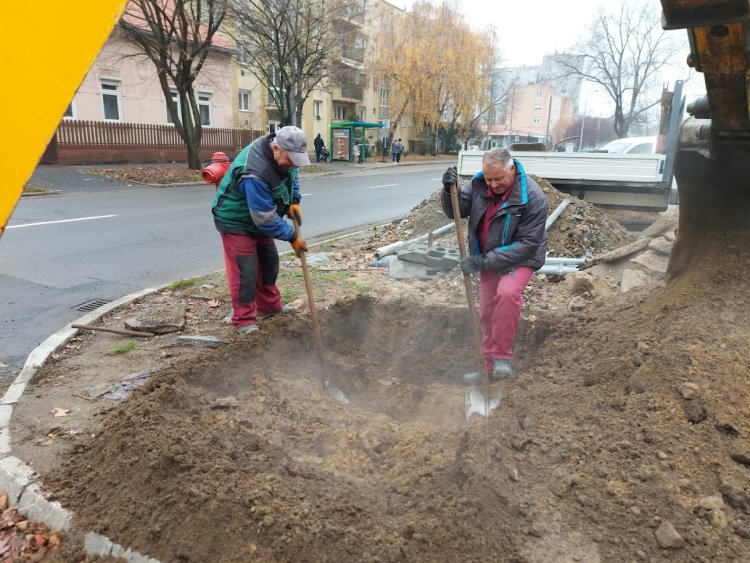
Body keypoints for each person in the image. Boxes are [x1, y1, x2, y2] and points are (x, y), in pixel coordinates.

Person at [441, 147, 548, 383]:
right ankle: (488, 370)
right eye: (489, 178)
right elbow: (456, 211)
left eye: (498, 178)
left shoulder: (532, 196)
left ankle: (501, 358)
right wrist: (449, 192)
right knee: (487, 311)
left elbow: (528, 244)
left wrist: (482, 261)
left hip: (520, 258)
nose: (493, 184)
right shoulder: (479, 185)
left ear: (511, 169)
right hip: (488, 256)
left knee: (507, 293)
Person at [211, 126, 309, 334]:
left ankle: (269, 307)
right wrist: (292, 236)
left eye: (296, 160)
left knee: (269, 261)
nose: (292, 164)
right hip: (237, 220)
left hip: (261, 216)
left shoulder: (286, 158)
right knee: (245, 271)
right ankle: (244, 319)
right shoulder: (254, 171)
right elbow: (264, 219)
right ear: (276, 149)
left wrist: (294, 201)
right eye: (290, 159)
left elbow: (292, 176)